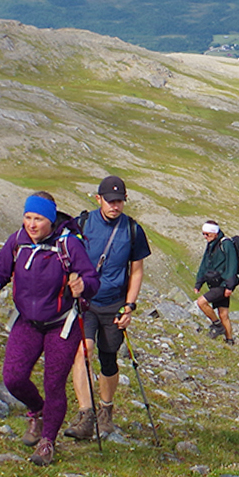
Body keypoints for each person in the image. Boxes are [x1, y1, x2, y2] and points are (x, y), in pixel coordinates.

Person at [0, 192, 98, 466]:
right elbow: (0, 272)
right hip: (27, 321)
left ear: (51, 219)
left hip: (62, 324)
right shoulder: (17, 241)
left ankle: (47, 442)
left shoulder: (68, 244)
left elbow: (91, 279)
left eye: (39, 219)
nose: (32, 224)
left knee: (54, 383)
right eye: (28, 217)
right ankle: (37, 410)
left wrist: (83, 286)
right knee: (13, 378)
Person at [63, 175, 152, 441]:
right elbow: (67, 257)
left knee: (108, 359)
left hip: (114, 304)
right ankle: (85, 414)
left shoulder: (133, 230)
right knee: (83, 350)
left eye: (120, 201)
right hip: (86, 303)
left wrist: (130, 306)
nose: (115, 206)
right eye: (110, 200)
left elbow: (136, 271)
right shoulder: (83, 223)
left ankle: (106, 410)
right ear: (98, 198)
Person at [194, 221, 238, 344]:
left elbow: (232, 265)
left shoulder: (226, 244)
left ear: (214, 232)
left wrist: (229, 286)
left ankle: (217, 326)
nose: (205, 237)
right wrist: (199, 283)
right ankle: (229, 341)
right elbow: (204, 264)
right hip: (216, 283)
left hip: (223, 285)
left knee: (201, 302)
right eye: (203, 234)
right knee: (223, 314)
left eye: (207, 234)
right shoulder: (211, 244)